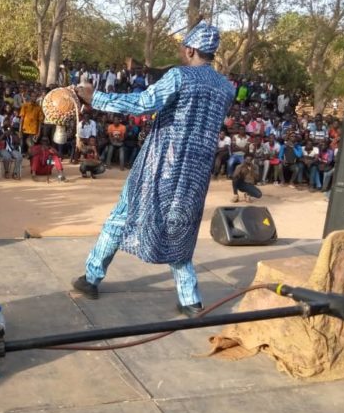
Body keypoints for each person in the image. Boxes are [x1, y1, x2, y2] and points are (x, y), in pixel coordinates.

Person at [71, 21, 234, 317]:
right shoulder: (226, 88)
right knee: (179, 225)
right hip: (196, 171)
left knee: (123, 215)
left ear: (190, 50)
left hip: (160, 163)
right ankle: (190, 299)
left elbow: (144, 103)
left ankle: (92, 278)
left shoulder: (179, 76)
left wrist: (96, 98)